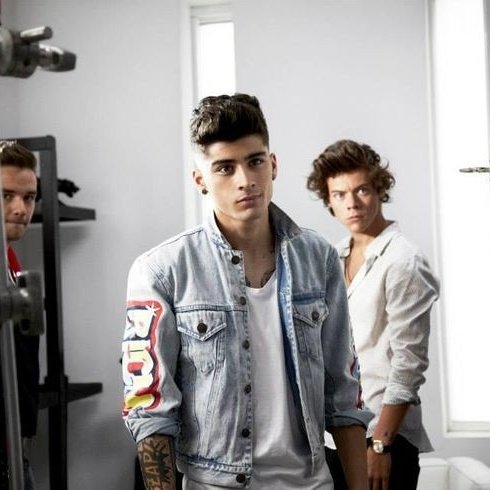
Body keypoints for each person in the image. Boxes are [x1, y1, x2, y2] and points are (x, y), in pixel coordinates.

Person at [122, 94, 373, 489]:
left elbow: (344, 396)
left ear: (273, 164)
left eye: (255, 161)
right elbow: (150, 409)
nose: (245, 180)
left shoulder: (319, 258)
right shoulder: (161, 270)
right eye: (225, 168)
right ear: (200, 180)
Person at [306, 139, 440, 490]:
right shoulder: (333, 257)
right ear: (329, 201)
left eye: (361, 189)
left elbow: (408, 364)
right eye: (339, 194)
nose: (351, 203)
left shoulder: (403, 261)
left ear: (379, 189)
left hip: (382, 439)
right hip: (338, 434)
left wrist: (381, 444)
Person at [0, 141, 39, 489]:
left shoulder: (10, 261)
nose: (19, 208)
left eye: (28, 198)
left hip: (16, 442)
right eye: (6, 195)